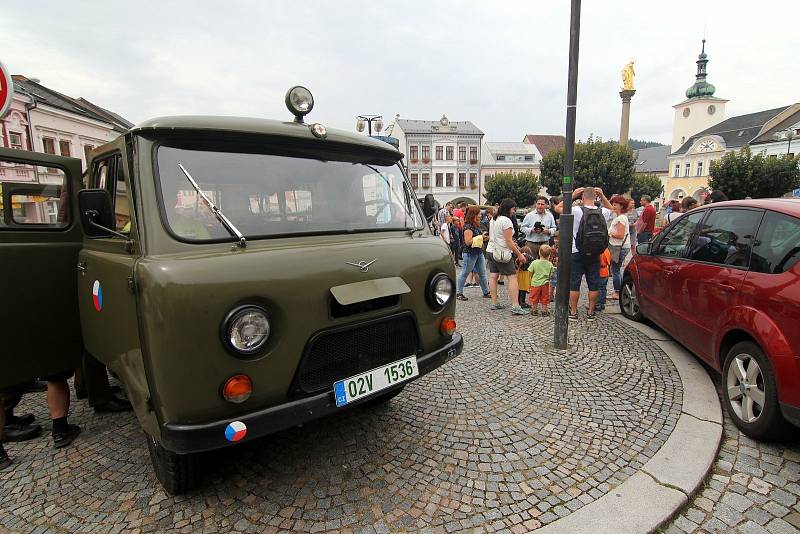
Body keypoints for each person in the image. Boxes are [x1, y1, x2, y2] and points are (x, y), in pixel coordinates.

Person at [555, 186, 613, 321]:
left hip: (577, 251)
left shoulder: (576, 210)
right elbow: (612, 210)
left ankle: (573, 312)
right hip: (595, 252)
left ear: (582, 197)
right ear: (596, 197)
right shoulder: (602, 211)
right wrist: (603, 197)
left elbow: (558, 208)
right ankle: (591, 312)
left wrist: (572, 195)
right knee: (593, 284)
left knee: (574, 283)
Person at [486, 198, 527, 315]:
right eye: (514, 209)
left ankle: (494, 303)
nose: (514, 211)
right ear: (508, 208)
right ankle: (515, 305)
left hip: (490, 250)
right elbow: (508, 241)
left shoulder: (494, 219)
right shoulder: (506, 221)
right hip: (502, 252)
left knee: (493, 276)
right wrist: (519, 254)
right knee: (512, 277)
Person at [455, 206, 491, 301]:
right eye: (478, 213)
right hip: (470, 254)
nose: (480, 215)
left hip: (478, 252)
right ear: (474, 215)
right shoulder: (468, 227)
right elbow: (468, 242)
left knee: (482, 273)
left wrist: (486, 237)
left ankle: (486, 292)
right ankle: (459, 293)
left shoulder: (475, 225)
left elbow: (478, 238)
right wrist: (481, 237)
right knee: (464, 273)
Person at [608, 195, 632, 300]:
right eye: (613, 204)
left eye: (615, 204)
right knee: (616, 270)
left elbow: (620, 235)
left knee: (615, 270)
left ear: (621, 206)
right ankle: (621, 290)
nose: (613, 206)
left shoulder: (621, 218)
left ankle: (618, 292)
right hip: (620, 246)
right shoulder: (620, 217)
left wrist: (610, 233)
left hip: (619, 247)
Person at [527, 244, 555, 316]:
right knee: (545, 297)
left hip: (535, 284)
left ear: (539, 253)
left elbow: (530, 272)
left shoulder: (534, 262)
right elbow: (550, 275)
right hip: (545, 284)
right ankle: (544, 311)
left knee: (534, 297)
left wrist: (532, 278)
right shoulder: (550, 264)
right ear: (549, 255)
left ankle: (534, 310)